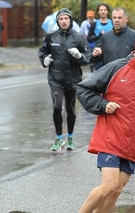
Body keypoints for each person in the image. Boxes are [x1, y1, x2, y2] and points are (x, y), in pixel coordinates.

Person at [62, 28, 135, 213]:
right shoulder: (115, 68)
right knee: (109, 186)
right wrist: (103, 105)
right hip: (110, 137)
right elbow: (84, 90)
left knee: (117, 190)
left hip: (132, 142)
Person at [38, 8, 92, 151]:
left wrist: (79, 56)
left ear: (70, 20)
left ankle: (70, 137)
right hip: (55, 79)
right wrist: (44, 60)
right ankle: (58, 138)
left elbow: (88, 56)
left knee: (70, 109)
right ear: (58, 21)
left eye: (66, 18)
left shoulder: (78, 37)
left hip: (73, 79)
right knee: (57, 107)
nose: (63, 21)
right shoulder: (51, 36)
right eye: (61, 19)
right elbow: (42, 51)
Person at [86, 3, 113, 70]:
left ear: (108, 11)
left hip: (111, 52)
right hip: (99, 53)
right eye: (101, 10)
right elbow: (88, 39)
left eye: (105, 10)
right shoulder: (94, 24)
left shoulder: (112, 23)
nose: (103, 11)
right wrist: (99, 36)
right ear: (98, 12)